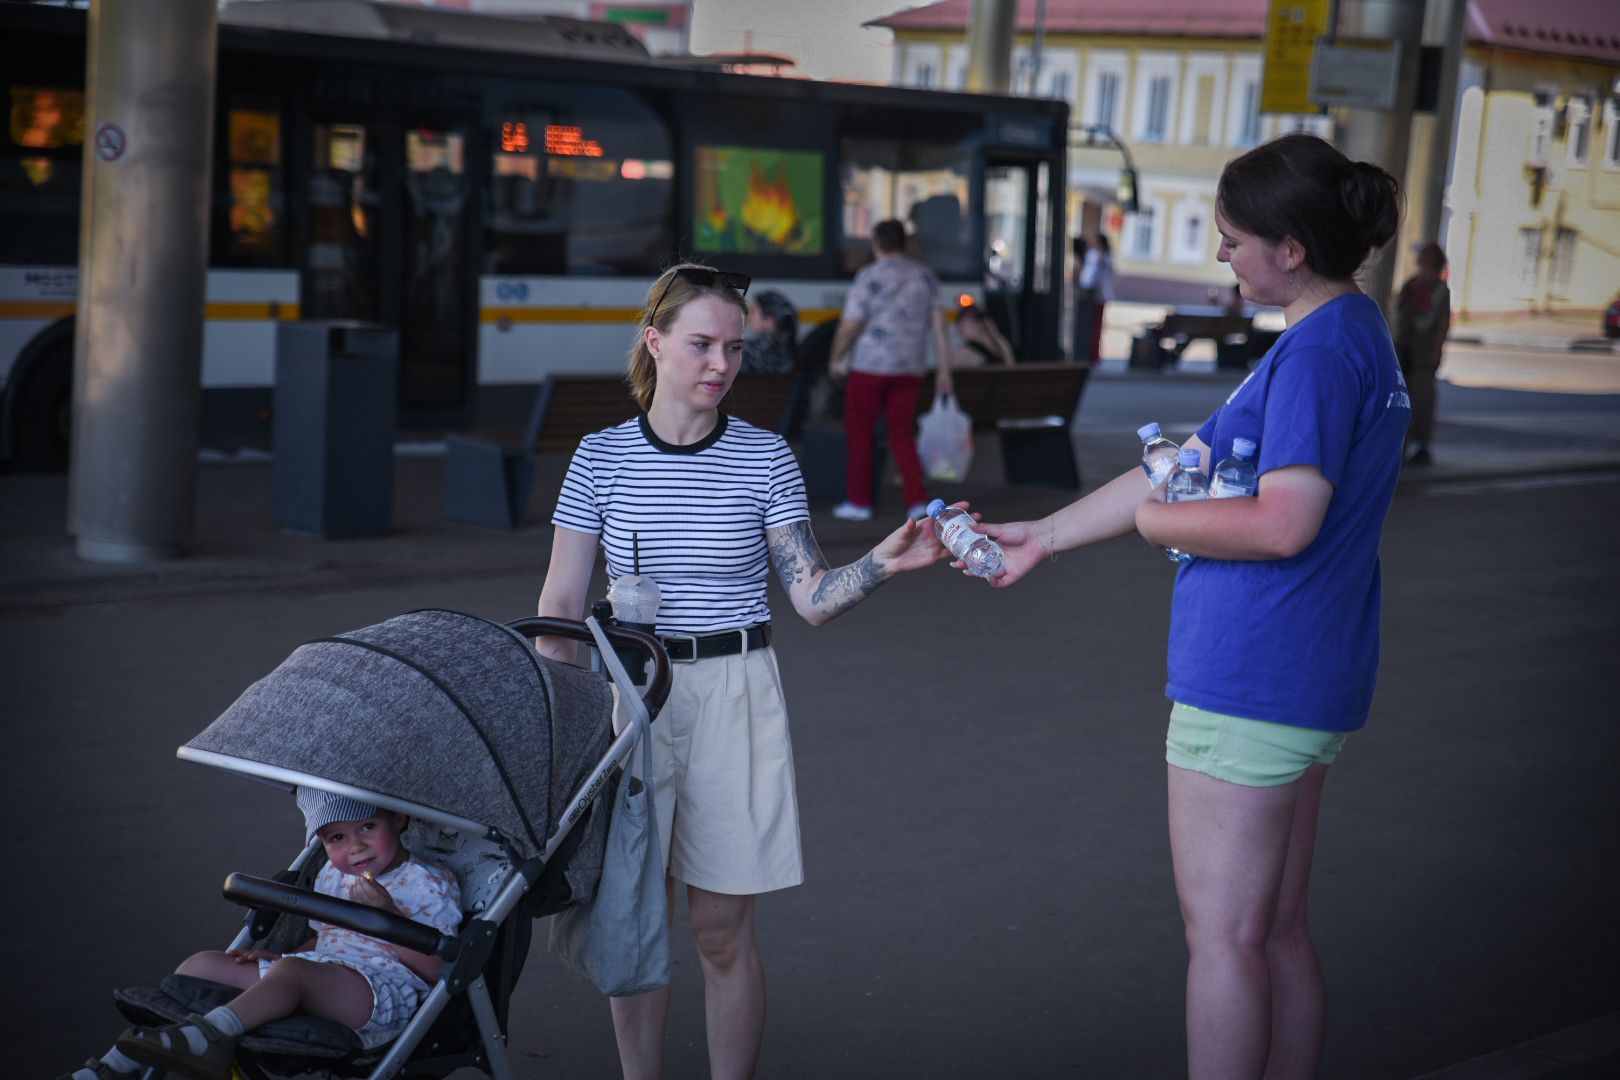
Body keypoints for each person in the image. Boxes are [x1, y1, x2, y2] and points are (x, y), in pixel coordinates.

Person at [973, 133, 1406, 1080]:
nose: (1221, 254)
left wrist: (1163, 522)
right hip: (1306, 671)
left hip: (1253, 675)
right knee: (1275, 931)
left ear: (1289, 248)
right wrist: (1042, 535)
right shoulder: (1348, 331)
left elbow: (1282, 521)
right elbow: (1178, 464)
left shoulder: (1317, 357)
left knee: (1224, 940)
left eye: (1231, 239)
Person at [535, 262, 948, 1080]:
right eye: (700, 345)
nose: (720, 365)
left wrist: (884, 564)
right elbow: (559, 602)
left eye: (734, 347)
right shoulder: (601, 458)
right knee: (634, 923)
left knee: (722, 929)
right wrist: (563, 722)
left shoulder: (765, 458)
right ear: (654, 343)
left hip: (735, 691)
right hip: (629, 700)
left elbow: (812, 597)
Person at [63, 789, 461, 1080]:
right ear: (321, 843)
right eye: (336, 838)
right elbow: (324, 938)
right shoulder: (331, 875)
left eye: (367, 827)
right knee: (201, 965)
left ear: (399, 818)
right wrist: (284, 957)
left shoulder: (427, 882)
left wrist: (388, 915)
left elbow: (435, 969)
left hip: (379, 994)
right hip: (318, 973)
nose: (355, 847)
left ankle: (211, 1037)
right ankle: (119, 1066)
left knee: (294, 976)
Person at [827, 219, 954, 522]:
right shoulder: (925, 275)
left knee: (860, 434)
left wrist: (836, 356)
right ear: (904, 243)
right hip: (910, 367)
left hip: (869, 367)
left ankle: (859, 502)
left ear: (876, 243)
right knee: (902, 434)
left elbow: (850, 324)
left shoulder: (869, 275)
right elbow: (939, 327)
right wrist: (944, 370)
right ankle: (916, 501)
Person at [1394, 242, 1450, 465]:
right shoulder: (1412, 285)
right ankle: (1401, 444)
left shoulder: (1439, 290)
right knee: (1401, 397)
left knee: (1421, 398)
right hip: (1404, 347)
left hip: (1424, 352)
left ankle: (1420, 444)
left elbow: (1442, 323)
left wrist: (1435, 352)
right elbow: (1399, 312)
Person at [740, 289, 798, 375]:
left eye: (754, 311)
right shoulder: (797, 353)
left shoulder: (747, 352)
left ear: (769, 321)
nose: (749, 317)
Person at [1076, 233, 1115, 363]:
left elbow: (1100, 277)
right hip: (1089, 294)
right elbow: (1087, 275)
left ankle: (1094, 353)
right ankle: (1089, 352)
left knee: (1096, 327)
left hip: (1098, 296)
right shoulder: (1092, 255)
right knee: (1088, 326)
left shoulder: (1106, 257)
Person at [950, 304, 1016, 367]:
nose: (959, 329)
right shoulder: (965, 351)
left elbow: (1011, 365)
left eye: (962, 323)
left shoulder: (998, 345)